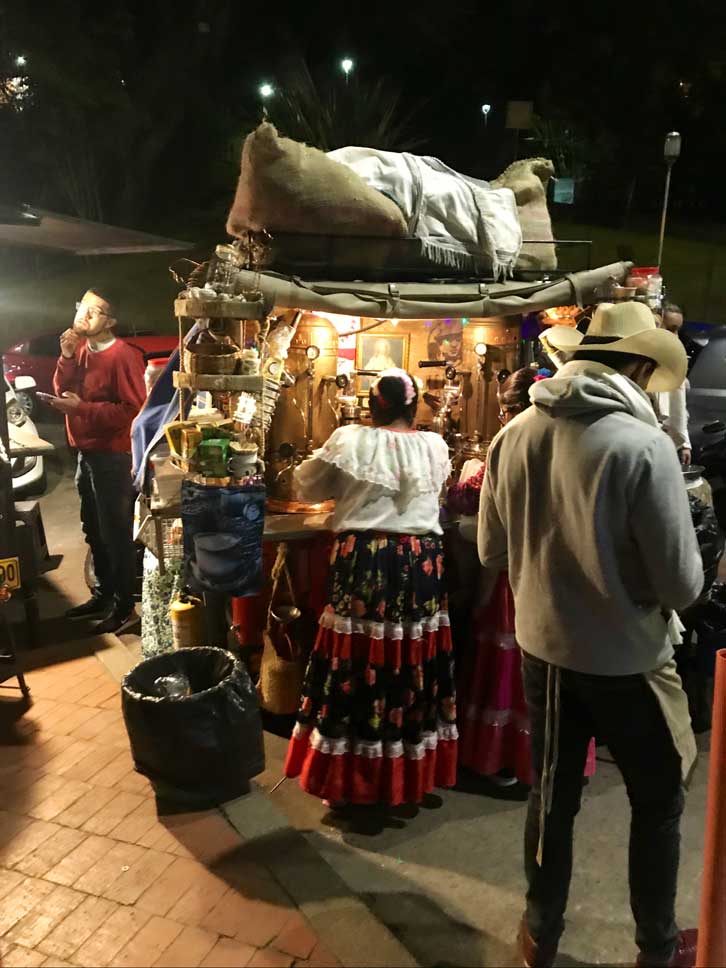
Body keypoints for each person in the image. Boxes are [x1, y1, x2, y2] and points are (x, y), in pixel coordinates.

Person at [478, 302, 704, 968]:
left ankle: (539, 935)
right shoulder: (641, 446)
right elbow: (683, 585)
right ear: (637, 365)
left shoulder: (514, 432)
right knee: (659, 798)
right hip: (628, 657)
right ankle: (656, 950)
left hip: (544, 649)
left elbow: (492, 550)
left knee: (552, 799)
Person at [284, 368, 457, 808]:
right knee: (410, 659)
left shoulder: (350, 440)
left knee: (358, 662)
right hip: (421, 561)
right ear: (413, 406)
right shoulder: (434, 446)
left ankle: (352, 783)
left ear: (372, 405)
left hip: (365, 559)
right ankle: (407, 779)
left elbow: (305, 484)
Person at [447, 368, 595, 788]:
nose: (502, 417)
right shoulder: (580, 436)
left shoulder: (512, 440)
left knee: (508, 664)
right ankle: (550, 763)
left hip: (519, 571)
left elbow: (466, 496)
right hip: (567, 572)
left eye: (506, 408)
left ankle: (497, 763)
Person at [52, 287, 146, 635]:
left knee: (115, 534)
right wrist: (65, 357)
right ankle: (103, 594)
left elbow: (131, 410)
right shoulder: (78, 349)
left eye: (95, 311)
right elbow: (63, 388)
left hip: (113, 456)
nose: (84, 315)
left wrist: (83, 409)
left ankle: (125, 608)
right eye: (82, 307)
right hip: (86, 452)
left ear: (112, 321)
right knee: (93, 529)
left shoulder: (123, 356)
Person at [654, 303, 691, 466]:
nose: (675, 336)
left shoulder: (674, 363)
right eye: (670, 329)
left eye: (677, 330)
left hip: (662, 442)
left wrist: (685, 444)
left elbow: (679, 407)